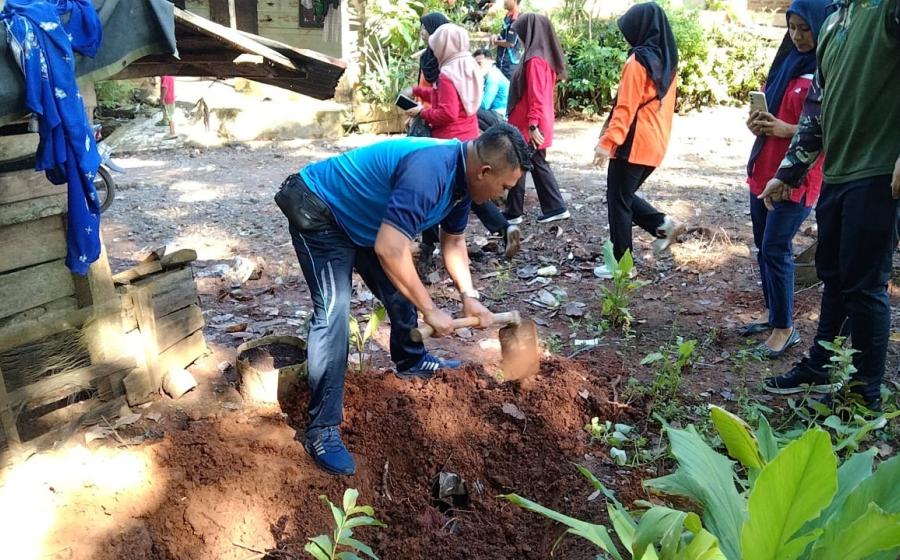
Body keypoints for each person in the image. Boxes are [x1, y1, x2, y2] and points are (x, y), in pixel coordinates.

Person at [277, 123, 531, 475]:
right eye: (504, 187)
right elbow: (389, 247)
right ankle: (322, 429)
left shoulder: (464, 182)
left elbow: (453, 242)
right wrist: (430, 309)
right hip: (319, 209)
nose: (502, 196)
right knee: (334, 312)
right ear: (485, 171)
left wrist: (469, 296)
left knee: (401, 289)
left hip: (363, 222)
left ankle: (411, 361)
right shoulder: (430, 171)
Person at [759, 0, 900, 412]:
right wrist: (787, 173)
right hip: (837, 173)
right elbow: (816, 109)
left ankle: (864, 393)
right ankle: (821, 364)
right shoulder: (837, 20)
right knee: (834, 275)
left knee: (866, 285)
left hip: (877, 172)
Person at [742, 0, 829, 359]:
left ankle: (785, 329)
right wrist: (758, 123)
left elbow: (827, 130)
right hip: (764, 169)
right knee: (764, 247)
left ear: (821, 26)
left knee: (777, 248)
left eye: (805, 28)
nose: (798, 36)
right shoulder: (785, 63)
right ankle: (773, 313)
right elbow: (769, 112)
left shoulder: (826, 71)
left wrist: (784, 128)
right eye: (792, 27)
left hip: (799, 176)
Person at [410, 24, 521, 259]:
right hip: (470, 137)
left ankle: (428, 246)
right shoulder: (469, 65)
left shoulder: (448, 72)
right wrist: (420, 92)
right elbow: (450, 99)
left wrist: (421, 113)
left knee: (436, 192)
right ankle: (505, 227)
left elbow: (447, 111)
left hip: (448, 143)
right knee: (471, 191)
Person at [592, 2, 681, 278]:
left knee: (618, 201)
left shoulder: (637, 62)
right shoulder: (668, 61)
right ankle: (662, 224)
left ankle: (621, 266)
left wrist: (607, 143)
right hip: (655, 144)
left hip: (632, 144)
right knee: (623, 197)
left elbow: (625, 107)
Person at [504, 13, 570, 225]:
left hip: (529, 124)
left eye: (521, 33)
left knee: (520, 163)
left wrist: (533, 125)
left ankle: (514, 213)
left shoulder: (535, 60)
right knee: (535, 162)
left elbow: (536, 95)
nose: (519, 37)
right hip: (534, 122)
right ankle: (554, 207)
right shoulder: (543, 57)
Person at [474, 48, 509, 131]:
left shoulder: (493, 76)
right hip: (495, 114)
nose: (477, 68)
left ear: (490, 62)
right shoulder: (489, 74)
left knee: (470, 111)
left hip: (500, 117)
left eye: (479, 64)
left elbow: (485, 104)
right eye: (474, 65)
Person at [493, 0, 522, 80]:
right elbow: (504, 35)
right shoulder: (508, 16)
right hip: (501, 61)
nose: (504, 1)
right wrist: (496, 36)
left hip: (509, 64)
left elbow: (510, 43)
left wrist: (495, 42)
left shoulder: (516, 18)